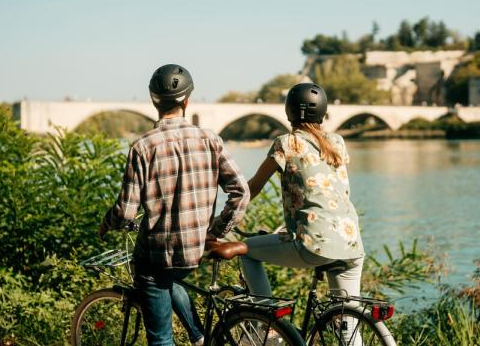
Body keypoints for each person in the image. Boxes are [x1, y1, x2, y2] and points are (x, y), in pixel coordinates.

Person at [99, 64, 250, 346]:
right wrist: (215, 231)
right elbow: (241, 192)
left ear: (153, 101)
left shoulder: (142, 146)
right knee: (171, 278)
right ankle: (199, 336)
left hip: (157, 254)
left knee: (160, 335)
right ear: (187, 101)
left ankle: (195, 335)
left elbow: (126, 211)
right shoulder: (210, 139)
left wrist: (108, 222)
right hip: (194, 250)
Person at [240, 82, 365, 305]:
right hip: (351, 243)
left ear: (289, 112)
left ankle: (267, 323)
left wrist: (225, 218)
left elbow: (254, 187)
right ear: (323, 113)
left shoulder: (285, 143)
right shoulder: (337, 141)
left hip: (312, 244)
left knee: (245, 252)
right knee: (349, 327)